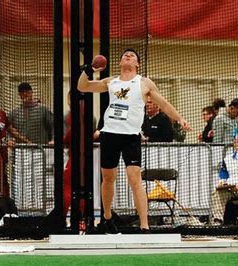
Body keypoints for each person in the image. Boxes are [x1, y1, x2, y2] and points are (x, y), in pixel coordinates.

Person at [78, 48, 191, 233]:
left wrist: (180, 119)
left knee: (135, 178)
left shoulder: (144, 83)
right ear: (121, 62)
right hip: (110, 134)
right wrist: (88, 69)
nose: (128, 56)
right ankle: (106, 217)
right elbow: (83, 87)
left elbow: (163, 104)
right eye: (125, 55)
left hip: (131, 136)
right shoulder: (111, 81)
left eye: (132, 55)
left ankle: (144, 225)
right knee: (108, 178)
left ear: (137, 64)